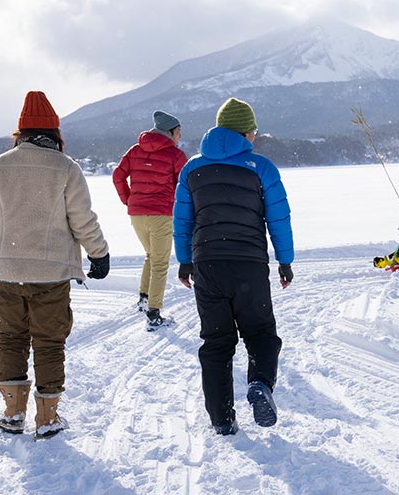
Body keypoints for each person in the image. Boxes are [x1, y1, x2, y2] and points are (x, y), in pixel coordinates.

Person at [0, 91, 111, 439]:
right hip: (50, 275)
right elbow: (82, 219)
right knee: (49, 342)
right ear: (55, 133)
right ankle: (47, 418)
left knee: (11, 339)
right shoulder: (66, 168)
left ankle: (13, 413)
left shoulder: (0, 166)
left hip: (5, 273)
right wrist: (98, 253)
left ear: (20, 133)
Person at [173, 97, 294, 436]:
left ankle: (222, 419)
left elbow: (182, 219)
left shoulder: (192, 168)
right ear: (246, 133)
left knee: (216, 342)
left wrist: (185, 260)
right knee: (261, 334)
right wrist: (285, 261)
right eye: (253, 131)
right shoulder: (262, 167)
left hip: (207, 265)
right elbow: (279, 219)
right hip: (250, 266)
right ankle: (259, 383)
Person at [113, 110, 188, 330]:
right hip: (161, 215)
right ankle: (154, 315)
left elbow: (118, 175)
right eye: (178, 132)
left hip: (137, 215)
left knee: (151, 255)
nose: (180, 137)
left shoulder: (135, 150)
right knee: (160, 263)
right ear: (169, 132)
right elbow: (183, 188)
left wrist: (128, 199)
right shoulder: (175, 155)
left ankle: (144, 299)